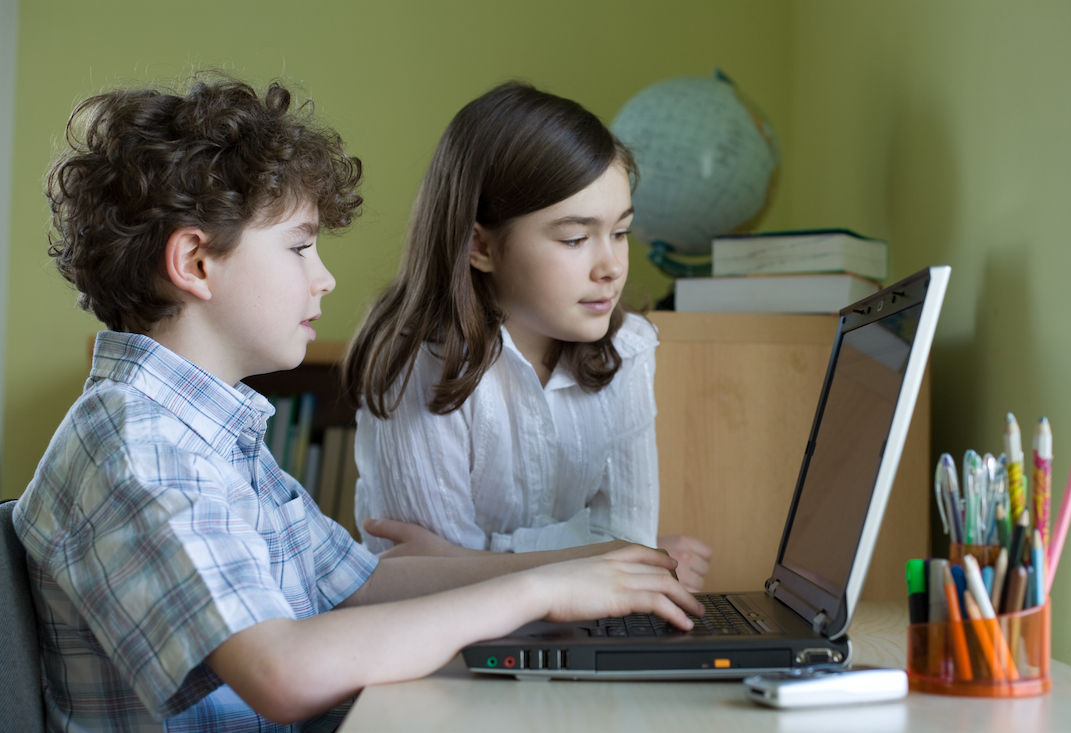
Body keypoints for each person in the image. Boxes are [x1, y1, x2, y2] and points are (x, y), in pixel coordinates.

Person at [12, 73, 703, 732]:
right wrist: (540, 591)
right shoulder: (140, 446)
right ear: (195, 263)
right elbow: (281, 671)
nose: (325, 277)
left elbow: (361, 584)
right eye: (300, 247)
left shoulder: (211, 432)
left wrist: (589, 566)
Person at [343, 82, 713, 591]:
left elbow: (627, 543)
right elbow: (432, 584)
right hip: (435, 647)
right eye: (575, 238)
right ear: (480, 246)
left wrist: (478, 558)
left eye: (621, 232)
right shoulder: (420, 362)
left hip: (573, 633)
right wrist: (594, 553)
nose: (611, 267)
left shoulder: (629, 347)